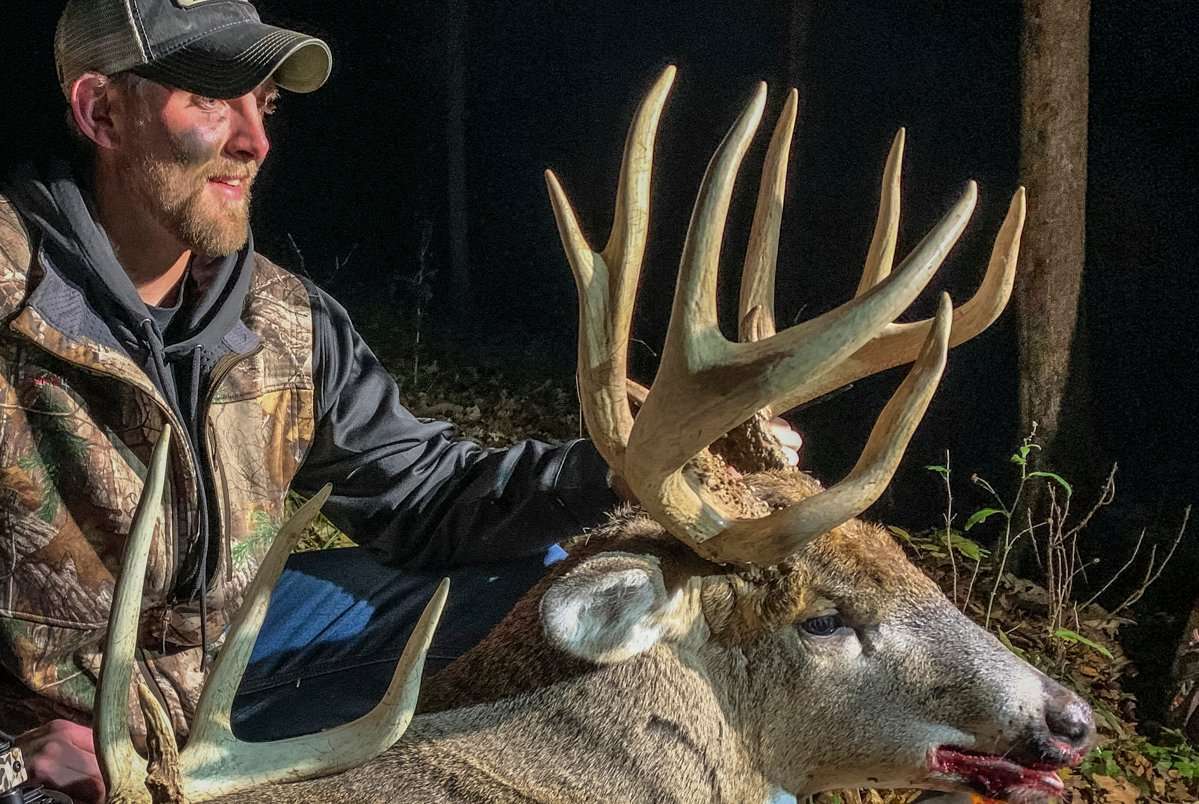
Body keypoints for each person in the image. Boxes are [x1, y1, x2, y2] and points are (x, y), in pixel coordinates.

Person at [1, 1, 805, 801]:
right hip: (44, 722)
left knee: (540, 584)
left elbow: (425, 495)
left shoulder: (282, 320)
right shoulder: (11, 298)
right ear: (102, 111)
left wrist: (622, 468)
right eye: (212, 101)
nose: (255, 141)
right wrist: (11, 747)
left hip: (213, 669)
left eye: (266, 104)